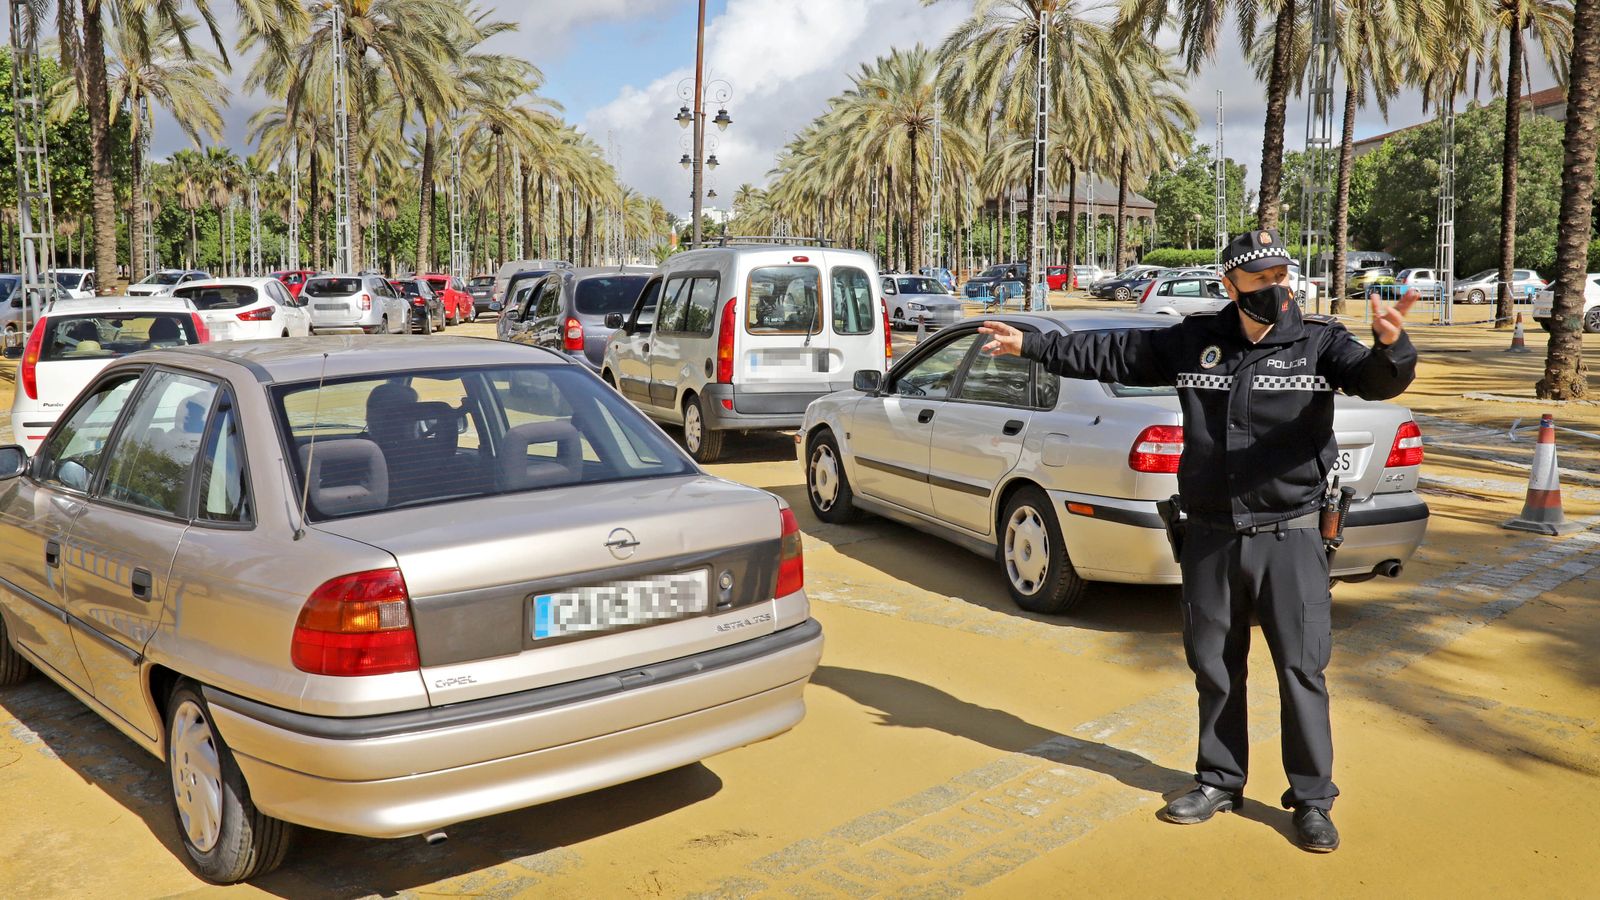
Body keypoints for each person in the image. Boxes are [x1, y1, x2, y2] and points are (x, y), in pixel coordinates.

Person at [978, 228, 1418, 853]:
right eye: (1260, 279)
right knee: (1214, 665)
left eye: (1280, 276)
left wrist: (1393, 348)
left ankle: (1313, 799)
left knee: (1301, 670)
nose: (1275, 288)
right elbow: (1115, 352)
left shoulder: (1320, 344)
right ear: (1229, 284)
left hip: (1290, 536)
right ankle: (1218, 780)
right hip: (1210, 534)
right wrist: (1035, 343)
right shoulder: (1196, 341)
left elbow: (1374, 379)